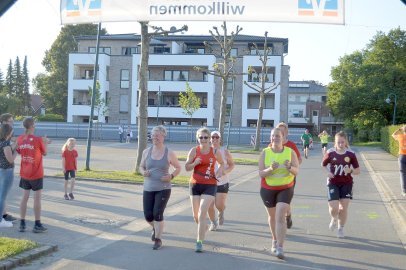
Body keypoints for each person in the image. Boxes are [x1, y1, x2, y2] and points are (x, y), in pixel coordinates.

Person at [259, 127, 299, 259]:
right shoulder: (265, 152)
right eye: (272, 136)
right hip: (268, 188)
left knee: (280, 214)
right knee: (272, 217)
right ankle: (274, 240)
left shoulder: (290, 152)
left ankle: (280, 247)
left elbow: (296, 171)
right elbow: (260, 173)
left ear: (283, 138)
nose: (274, 138)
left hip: (285, 187)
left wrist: (289, 167)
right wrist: (270, 169)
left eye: (277, 136)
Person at [140, 126, 181, 250]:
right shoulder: (146, 152)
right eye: (153, 135)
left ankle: (158, 239)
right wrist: (143, 172)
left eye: (158, 135)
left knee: (157, 213)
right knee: (148, 216)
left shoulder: (169, 152)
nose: (155, 137)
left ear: (163, 136)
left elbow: (178, 167)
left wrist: (171, 176)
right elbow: (141, 166)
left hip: (163, 188)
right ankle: (155, 227)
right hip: (148, 187)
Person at [185, 127, 224, 252]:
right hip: (195, 184)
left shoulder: (215, 151)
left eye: (206, 137)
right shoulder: (194, 151)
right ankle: (205, 226)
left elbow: (222, 164)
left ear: (209, 139)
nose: (203, 139)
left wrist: (218, 171)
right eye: (200, 137)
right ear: (197, 138)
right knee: (196, 216)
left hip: (210, 185)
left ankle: (199, 242)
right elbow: (187, 167)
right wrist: (195, 163)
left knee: (202, 213)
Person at [321, 131, 360, 238]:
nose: (341, 144)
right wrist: (328, 173)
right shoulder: (330, 152)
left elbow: (358, 170)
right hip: (333, 183)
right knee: (334, 208)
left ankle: (340, 228)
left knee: (343, 208)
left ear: (346, 142)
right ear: (335, 142)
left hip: (346, 183)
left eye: (343, 142)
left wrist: (350, 171)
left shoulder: (351, 154)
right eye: (339, 142)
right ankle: (334, 218)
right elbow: (323, 165)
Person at [16, 117, 50, 233]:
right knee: (37, 199)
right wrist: (45, 142)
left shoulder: (20, 138)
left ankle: (22, 223)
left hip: (24, 173)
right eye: (34, 124)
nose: (35, 126)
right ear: (31, 126)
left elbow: (20, 151)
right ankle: (37, 224)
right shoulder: (37, 139)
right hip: (36, 173)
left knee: (24, 198)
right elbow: (45, 153)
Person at [276, 122, 302, 230]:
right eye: (279, 130)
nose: (281, 133)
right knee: (277, 202)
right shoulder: (272, 144)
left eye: (283, 131)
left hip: (289, 178)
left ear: (286, 132)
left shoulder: (291, 145)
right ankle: (285, 217)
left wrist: (292, 167)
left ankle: (287, 216)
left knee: (285, 201)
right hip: (275, 178)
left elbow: (299, 160)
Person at [208, 130, 235, 231]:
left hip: (222, 182)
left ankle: (221, 211)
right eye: (212, 137)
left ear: (220, 139)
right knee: (209, 205)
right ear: (210, 139)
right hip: (209, 183)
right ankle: (213, 222)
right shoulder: (207, 150)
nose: (214, 139)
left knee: (219, 205)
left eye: (217, 137)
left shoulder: (225, 151)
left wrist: (225, 171)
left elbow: (232, 165)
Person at [0, 113, 17, 223]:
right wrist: (17, 150)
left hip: (2, 168)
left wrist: (13, 146)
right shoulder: (4, 142)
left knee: (2, 194)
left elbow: (7, 148)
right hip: (6, 169)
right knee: (2, 195)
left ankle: (4, 215)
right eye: (10, 121)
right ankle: (2, 218)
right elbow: (10, 159)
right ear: (4, 122)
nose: (12, 123)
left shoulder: (3, 141)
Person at [391, 125, 406, 197]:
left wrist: (399, 129)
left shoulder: (400, 136)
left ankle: (404, 191)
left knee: (403, 174)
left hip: (402, 156)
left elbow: (393, 134)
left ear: (404, 130)